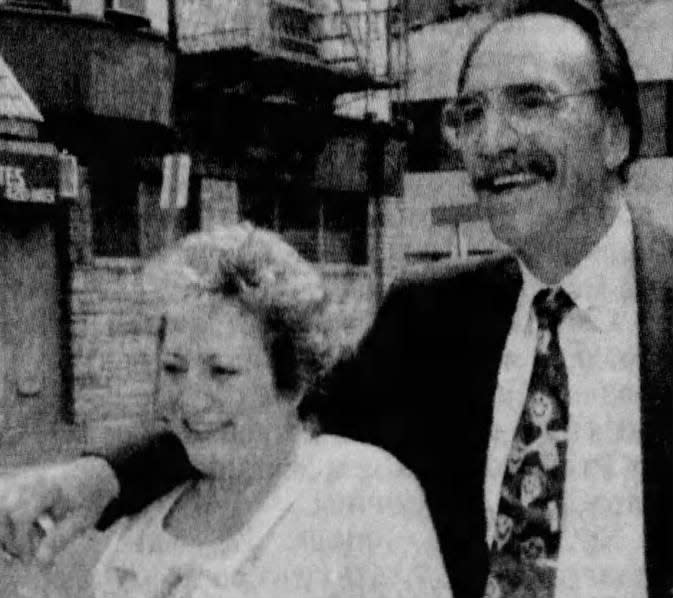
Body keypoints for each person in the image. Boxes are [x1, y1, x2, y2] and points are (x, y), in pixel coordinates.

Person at [0, 0, 671, 596]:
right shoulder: (433, 317)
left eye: (531, 101)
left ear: (615, 131)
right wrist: (103, 478)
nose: (492, 142)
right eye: (470, 113)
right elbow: (271, 413)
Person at [0, 225, 453, 598]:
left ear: (292, 382)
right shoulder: (141, 530)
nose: (191, 399)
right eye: (174, 368)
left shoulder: (363, 494)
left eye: (222, 371)